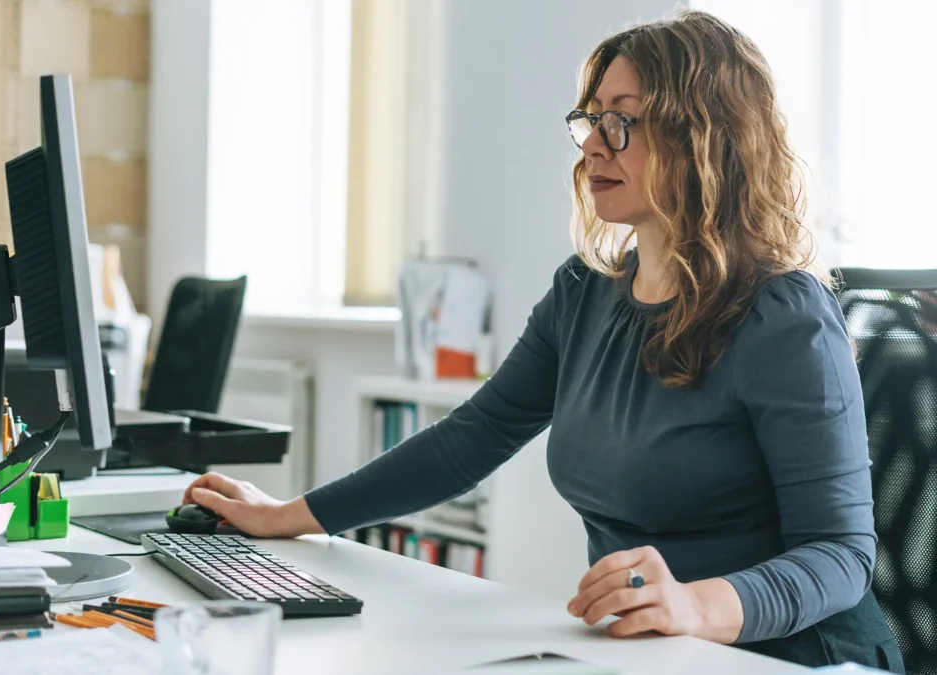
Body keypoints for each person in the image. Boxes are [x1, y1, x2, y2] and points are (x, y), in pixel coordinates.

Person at [181, 10, 904, 672]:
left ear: (703, 138)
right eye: (590, 120)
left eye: (623, 122)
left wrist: (696, 603)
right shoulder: (586, 291)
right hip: (653, 651)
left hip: (792, 655)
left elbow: (840, 555)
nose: (592, 144)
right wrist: (287, 516)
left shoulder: (783, 313)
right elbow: (474, 435)